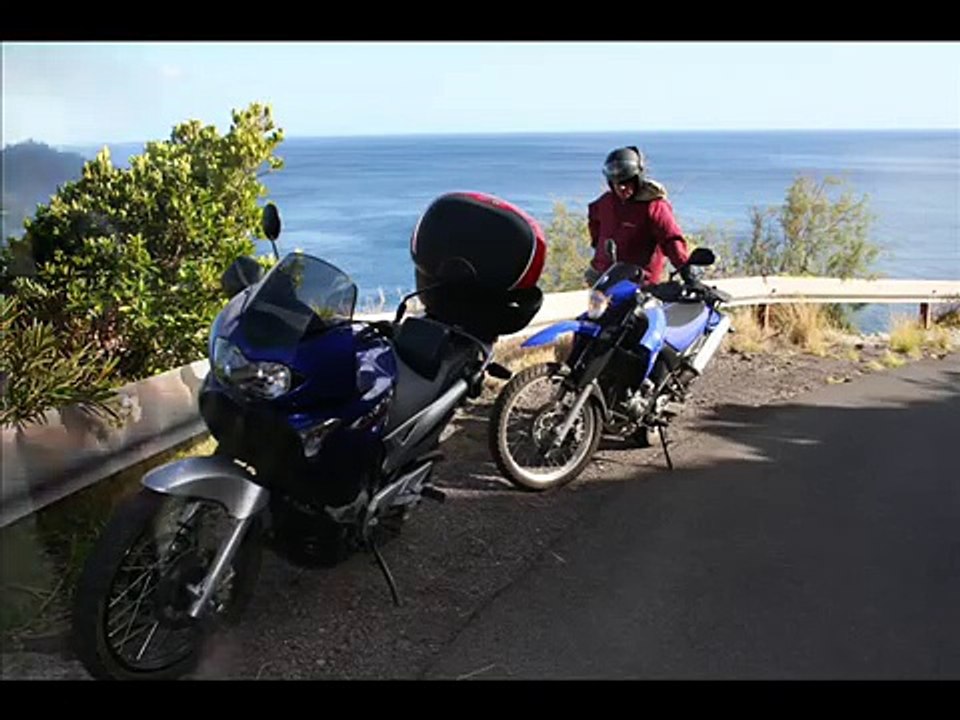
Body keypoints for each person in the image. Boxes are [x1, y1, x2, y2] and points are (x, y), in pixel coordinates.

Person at [585, 146, 691, 286]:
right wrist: (599, 250)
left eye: (626, 181)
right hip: (604, 276)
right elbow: (594, 221)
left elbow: (671, 240)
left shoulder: (654, 206)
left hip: (637, 282)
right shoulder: (606, 202)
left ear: (637, 178)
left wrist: (687, 273)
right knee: (596, 308)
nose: (621, 187)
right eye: (616, 183)